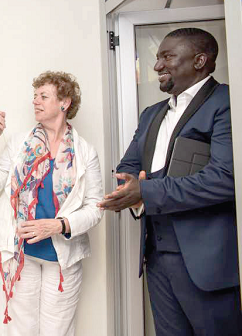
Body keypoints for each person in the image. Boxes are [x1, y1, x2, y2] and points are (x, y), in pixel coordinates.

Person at [99, 28, 242, 335]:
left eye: (167, 57)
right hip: (156, 258)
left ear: (200, 60)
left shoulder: (228, 103)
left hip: (206, 264)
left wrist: (147, 191)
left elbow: (226, 179)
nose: (157, 66)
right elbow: (128, 167)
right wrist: (130, 192)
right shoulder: (151, 114)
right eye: (157, 58)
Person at [0, 71, 103, 336]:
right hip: (20, 252)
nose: (35, 101)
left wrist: (58, 226)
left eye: (43, 96)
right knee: (19, 330)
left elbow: (95, 208)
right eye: (34, 96)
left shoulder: (84, 151)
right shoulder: (19, 143)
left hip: (62, 256)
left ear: (64, 102)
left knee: (57, 331)